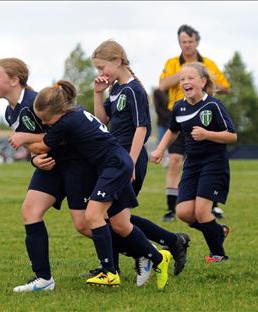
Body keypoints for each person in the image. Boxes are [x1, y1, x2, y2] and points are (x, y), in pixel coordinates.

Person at [12, 80, 172, 289]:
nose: (46, 124)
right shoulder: (74, 113)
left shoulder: (66, 123)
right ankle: (158, 258)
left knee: (93, 216)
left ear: (60, 111)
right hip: (111, 165)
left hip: (113, 166)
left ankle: (110, 272)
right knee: (120, 223)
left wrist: (22, 136)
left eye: (46, 120)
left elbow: (42, 145)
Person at [0, 58, 99, 293]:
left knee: (85, 224)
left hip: (74, 164)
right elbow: (36, 146)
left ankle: (146, 250)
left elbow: (61, 136)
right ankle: (43, 279)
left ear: (14, 80)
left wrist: (29, 143)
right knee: (30, 211)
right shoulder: (11, 112)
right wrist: (34, 158)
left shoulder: (35, 102)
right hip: (50, 166)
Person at [91, 40, 190, 278]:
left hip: (128, 159)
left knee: (114, 218)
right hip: (115, 158)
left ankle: (124, 263)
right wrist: (97, 93)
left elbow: (142, 128)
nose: (100, 73)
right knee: (112, 216)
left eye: (102, 67)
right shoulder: (115, 89)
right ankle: (170, 242)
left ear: (117, 61)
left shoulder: (134, 90)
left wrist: (130, 163)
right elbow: (102, 119)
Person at [151, 62, 236, 263]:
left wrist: (208, 134)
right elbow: (173, 129)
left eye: (190, 78)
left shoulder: (213, 105)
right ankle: (218, 231)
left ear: (203, 81)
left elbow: (231, 136)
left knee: (201, 210)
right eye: (182, 79)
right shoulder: (179, 106)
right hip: (192, 164)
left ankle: (218, 254)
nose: (185, 82)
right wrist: (160, 149)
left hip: (214, 163)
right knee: (184, 212)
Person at [159, 24, 230, 221]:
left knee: (206, 160)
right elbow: (163, 85)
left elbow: (225, 86)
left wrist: (203, 80)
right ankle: (171, 208)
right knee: (174, 161)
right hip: (179, 117)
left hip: (203, 119)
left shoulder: (208, 63)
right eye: (183, 42)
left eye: (190, 41)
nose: (187, 45)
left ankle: (211, 205)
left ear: (197, 41)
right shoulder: (172, 62)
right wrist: (185, 74)